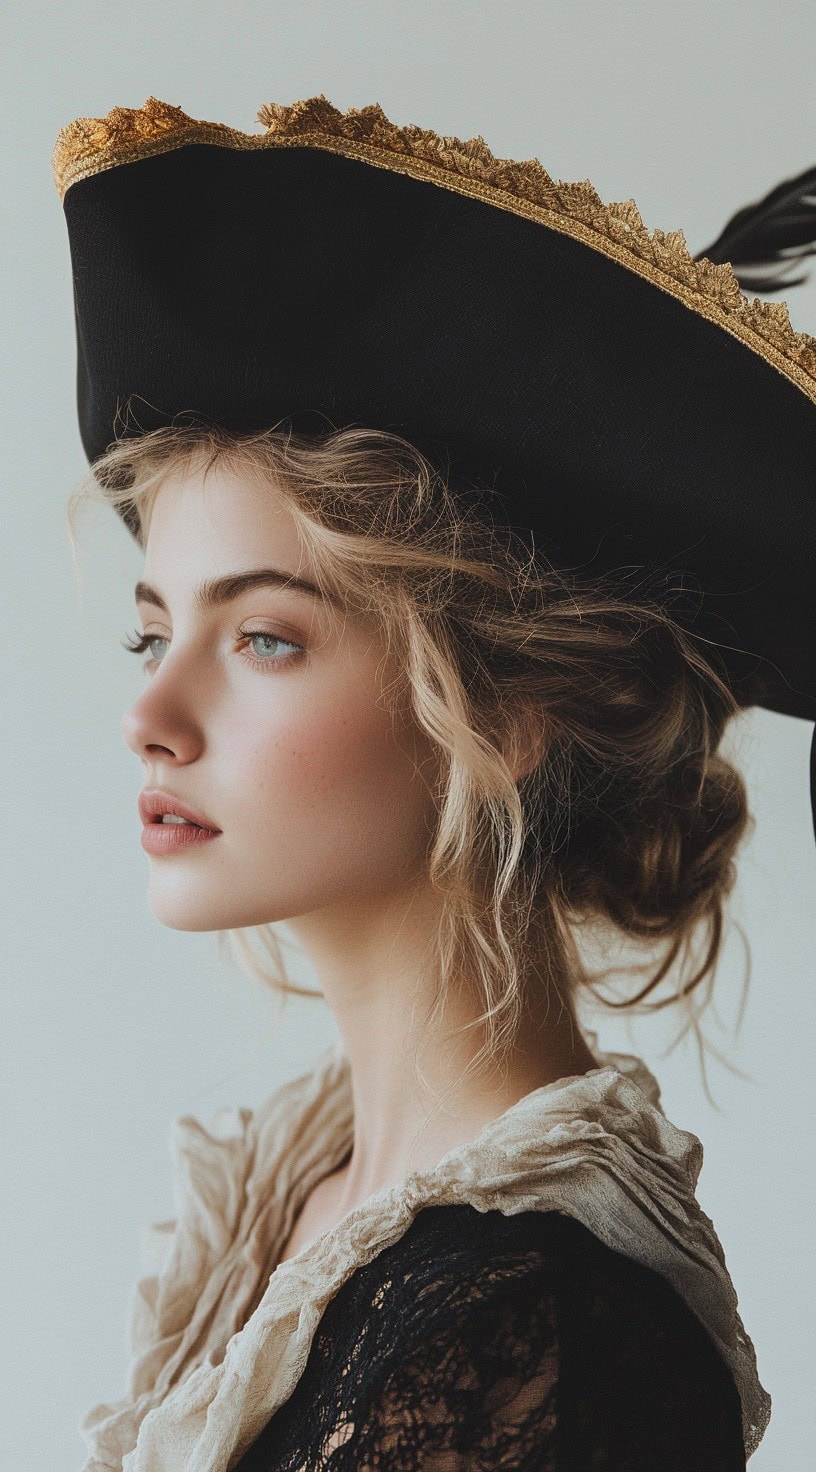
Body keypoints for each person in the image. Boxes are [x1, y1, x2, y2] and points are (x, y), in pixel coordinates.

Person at [52, 93, 816, 1470]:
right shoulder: (305, 1204)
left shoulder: (537, 1324)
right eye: (155, 631)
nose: (149, 715)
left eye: (265, 637)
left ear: (507, 708)